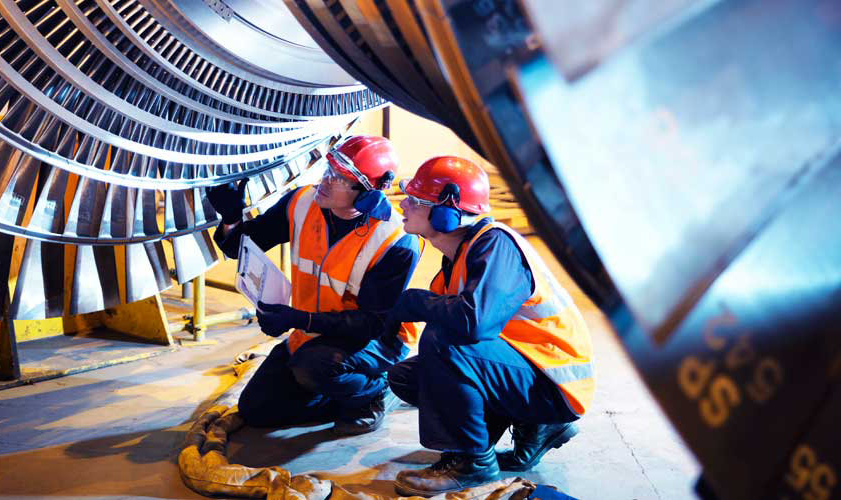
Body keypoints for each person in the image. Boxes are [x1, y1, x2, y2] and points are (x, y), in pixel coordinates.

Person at [385, 156, 595, 497]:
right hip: (532, 372)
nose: (404, 204)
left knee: (445, 341)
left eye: (416, 200)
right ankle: (535, 426)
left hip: (555, 383)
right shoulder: (459, 255)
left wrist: (419, 302)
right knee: (409, 377)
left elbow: (473, 322)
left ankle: (473, 462)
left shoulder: (497, 245)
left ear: (446, 213)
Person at [207, 135, 422, 435]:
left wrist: (297, 318)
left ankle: (376, 390)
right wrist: (231, 218)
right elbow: (243, 247)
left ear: (366, 194)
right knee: (256, 410)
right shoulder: (302, 203)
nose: (325, 179)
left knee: (315, 366)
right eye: (328, 169)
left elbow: (370, 324)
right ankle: (337, 391)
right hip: (314, 333)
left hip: (376, 341)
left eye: (338, 177)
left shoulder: (396, 241)